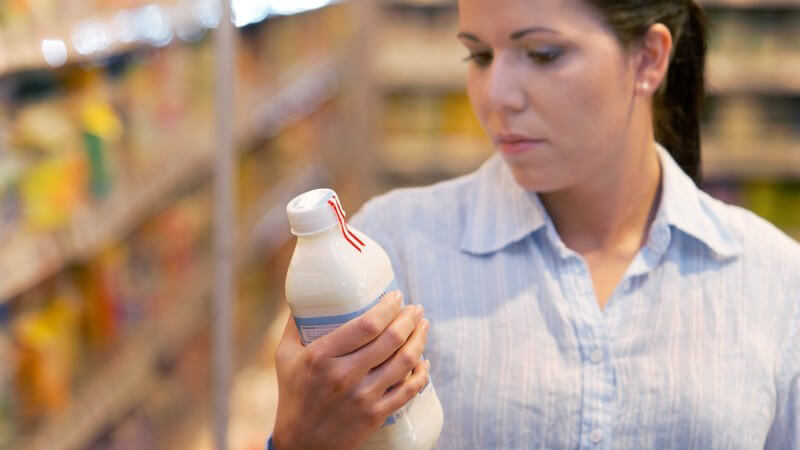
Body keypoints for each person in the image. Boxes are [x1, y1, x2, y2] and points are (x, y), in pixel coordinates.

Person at [270, 0, 800, 448]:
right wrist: (298, 437)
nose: (496, 95)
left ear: (648, 59)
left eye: (543, 54)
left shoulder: (772, 279)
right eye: (479, 54)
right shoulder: (387, 253)